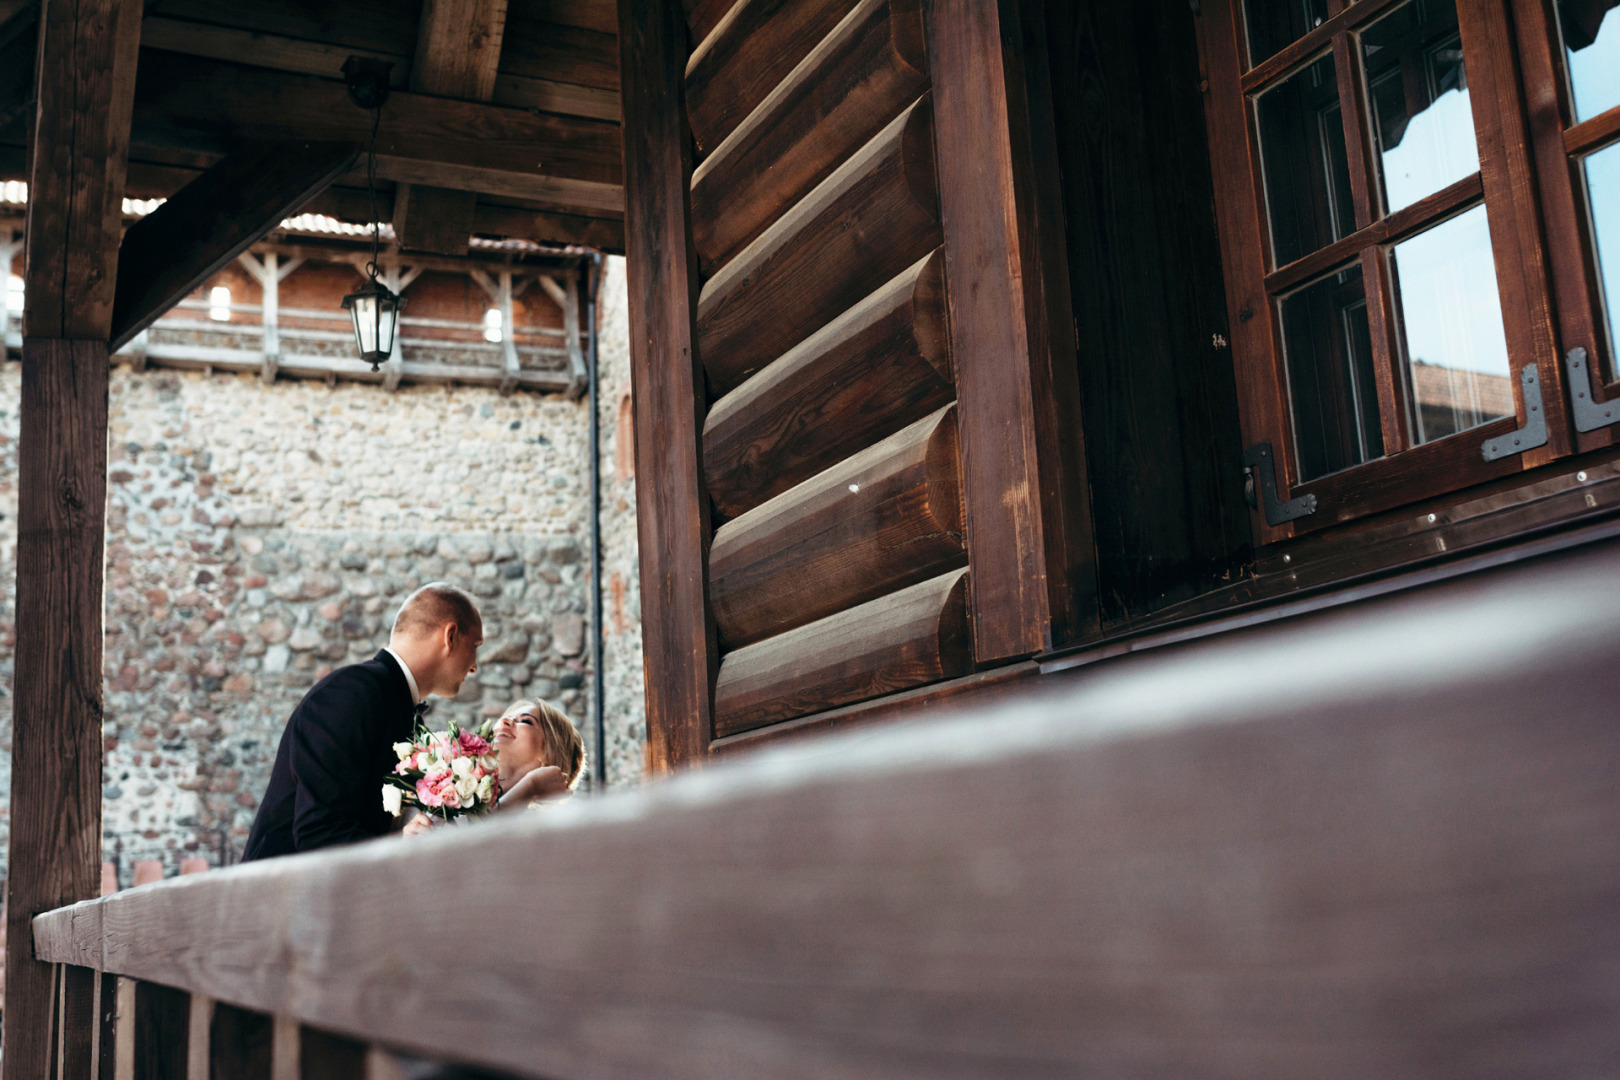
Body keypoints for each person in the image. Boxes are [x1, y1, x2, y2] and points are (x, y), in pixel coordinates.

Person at [242, 583, 482, 861]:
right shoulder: (350, 693)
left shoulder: (388, 700)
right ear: (450, 636)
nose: (475, 665)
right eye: (474, 645)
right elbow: (318, 832)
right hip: (279, 895)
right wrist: (401, 844)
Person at [402, 698, 582, 835]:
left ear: (548, 755)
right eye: (506, 718)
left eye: (526, 721)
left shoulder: (535, 830)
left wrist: (531, 786)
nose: (504, 722)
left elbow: (476, 844)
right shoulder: (440, 785)